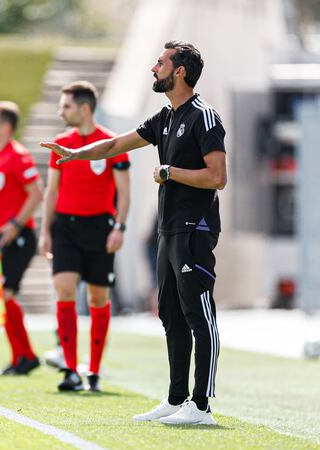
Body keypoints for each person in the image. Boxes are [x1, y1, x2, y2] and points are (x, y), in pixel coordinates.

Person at [41, 40, 227, 425]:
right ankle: (177, 400)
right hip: (168, 230)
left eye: (160, 62)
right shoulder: (164, 118)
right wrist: (77, 155)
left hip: (196, 230)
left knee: (199, 314)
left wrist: (170, 172)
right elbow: (116, 144)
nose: (152, 68)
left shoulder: (205, 117)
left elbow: (217, 177)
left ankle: (202, 406)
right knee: (171, 316)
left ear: (179, 71)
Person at [39, 81, 130, 392]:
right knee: (64, 288)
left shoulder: (111, 143)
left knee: (97, 298)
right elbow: (51, 191)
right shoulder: (60, 144)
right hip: (65, 227)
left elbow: (124, 192)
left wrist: (119, 227)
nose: (60, 112)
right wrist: (45, 231)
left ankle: (92, 371)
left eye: (66, 106)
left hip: (100, 228)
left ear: (85, 108)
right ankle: (70, 369)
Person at [0, 101, 43, 376]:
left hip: (19, 238)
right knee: (3, 296)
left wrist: (15, 226)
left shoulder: (17, 156)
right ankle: (21, 357)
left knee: (5, 295)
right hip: (4, 238)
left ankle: (26, 356)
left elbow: (36, 193)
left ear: (6, 126)